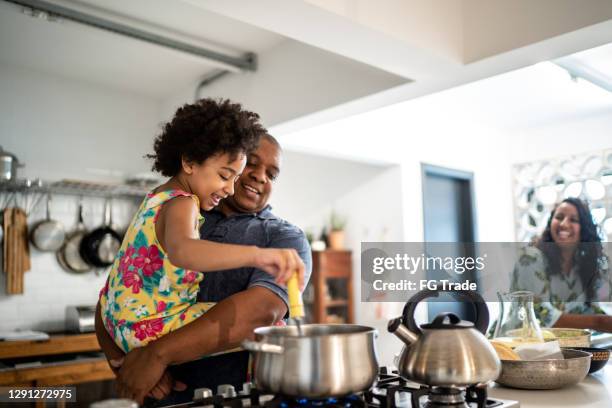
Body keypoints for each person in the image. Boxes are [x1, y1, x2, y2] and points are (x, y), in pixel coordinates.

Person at [95, 133, 312, 405]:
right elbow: (114, 292)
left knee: (269, 324)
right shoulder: (184, 209)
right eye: (250, 165)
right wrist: (126, 362)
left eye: (272, 174)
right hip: (158, 395)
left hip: (231, 397)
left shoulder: (285, 237)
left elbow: (260, 313)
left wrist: (153, 355)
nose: (260, 176)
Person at [511, 197, 612, 332]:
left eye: (573, 220)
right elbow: (540, 315)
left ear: (584, 229)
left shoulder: (584, 267)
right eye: (559, 217)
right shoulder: (530, 258)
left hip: (563, 347)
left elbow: (590, 310)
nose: (564, 224)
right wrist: (599, 322)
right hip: (516, 345)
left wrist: (602, 320)